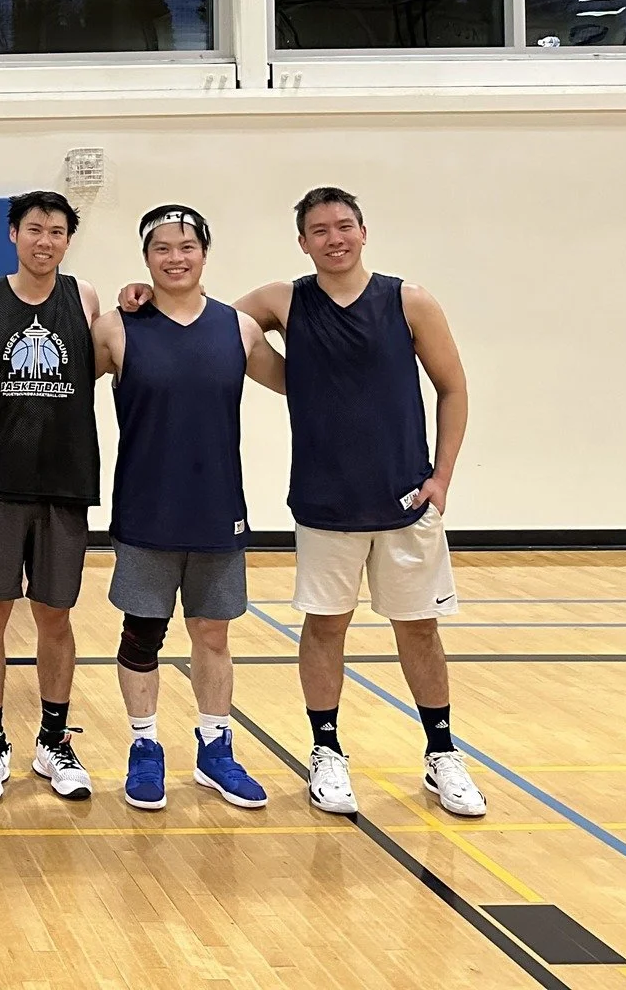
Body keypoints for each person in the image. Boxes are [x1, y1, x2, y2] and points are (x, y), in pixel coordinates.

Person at [237, 187, 482, 819]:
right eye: (319, 230)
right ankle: (326, 752)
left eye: (344, 226)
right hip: (324, 503)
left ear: (363, 231)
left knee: (420, 630)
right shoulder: (283, 300)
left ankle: (441, 753)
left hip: (404, 500)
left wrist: (442, 479)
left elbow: (453, 389)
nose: (334, 238)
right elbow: (208, 325)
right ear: (303, 242)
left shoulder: (408, 300)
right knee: (325, 627)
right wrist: (143, 298)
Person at [93, 205, 283, 813]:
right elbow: (53, 392)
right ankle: (144, 746)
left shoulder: (239, 329)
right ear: (145, 258)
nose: (175, 258)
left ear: (205, 252)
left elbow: (304, 383)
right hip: (146, 507)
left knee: (212, 632)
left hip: (217, 508)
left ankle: (214, 746)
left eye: (187, 247)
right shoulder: (118, 328)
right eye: (162, 249)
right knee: (142, 633)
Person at [0, 190, 103, 805]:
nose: (45, 241)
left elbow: (100, 365)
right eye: (34, 229)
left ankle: (53, 740)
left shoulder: (86, 298)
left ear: (68, 240)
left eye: (57, 232)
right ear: (13, 234)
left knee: (55, 615)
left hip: (64, 482)